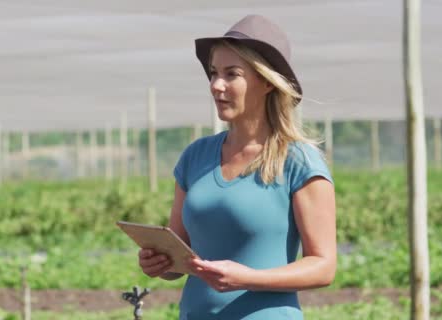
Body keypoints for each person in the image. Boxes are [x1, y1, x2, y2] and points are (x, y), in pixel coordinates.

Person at [138, 14, 336, 320]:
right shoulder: (195, 157)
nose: (217, 85)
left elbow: (323, 266)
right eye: (214, 73)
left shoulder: (299, 161)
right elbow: (180, 256)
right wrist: (161, 263)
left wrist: (248, 279)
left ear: (267, 81)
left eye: (232, 74)